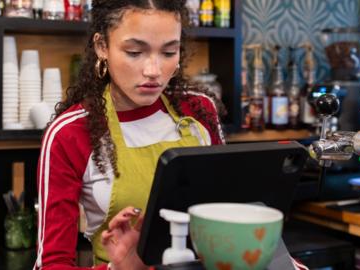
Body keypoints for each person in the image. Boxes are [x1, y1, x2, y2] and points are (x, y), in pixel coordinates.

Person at [34, 0, 225, 269]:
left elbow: (231, 216)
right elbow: (51, 264)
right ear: (102, 47)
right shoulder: (70, 133)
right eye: (135, 52)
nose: (154, 71)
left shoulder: (200, 111)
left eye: (169, 52)